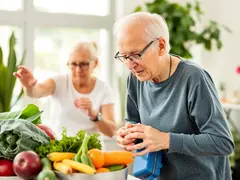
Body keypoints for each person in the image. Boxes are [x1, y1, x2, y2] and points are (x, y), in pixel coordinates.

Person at [114, 12, 234, 180]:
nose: (129, 65)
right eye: (124, 56)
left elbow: (222, 142)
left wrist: (166, 140)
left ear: (161, 46)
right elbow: (133, 120)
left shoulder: (194, 78)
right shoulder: (136, 77)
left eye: (135, 55)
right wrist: (128, 134)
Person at [13, 41, 116, 139]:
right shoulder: (59, 81)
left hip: (92, 153)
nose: (78, 70)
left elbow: (111, 132)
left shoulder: (103, 89)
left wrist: (94, 114)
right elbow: (36, 92)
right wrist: (29, 86)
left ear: (95, 63)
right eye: (73, 64)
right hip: (60, 152)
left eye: (83, 64)